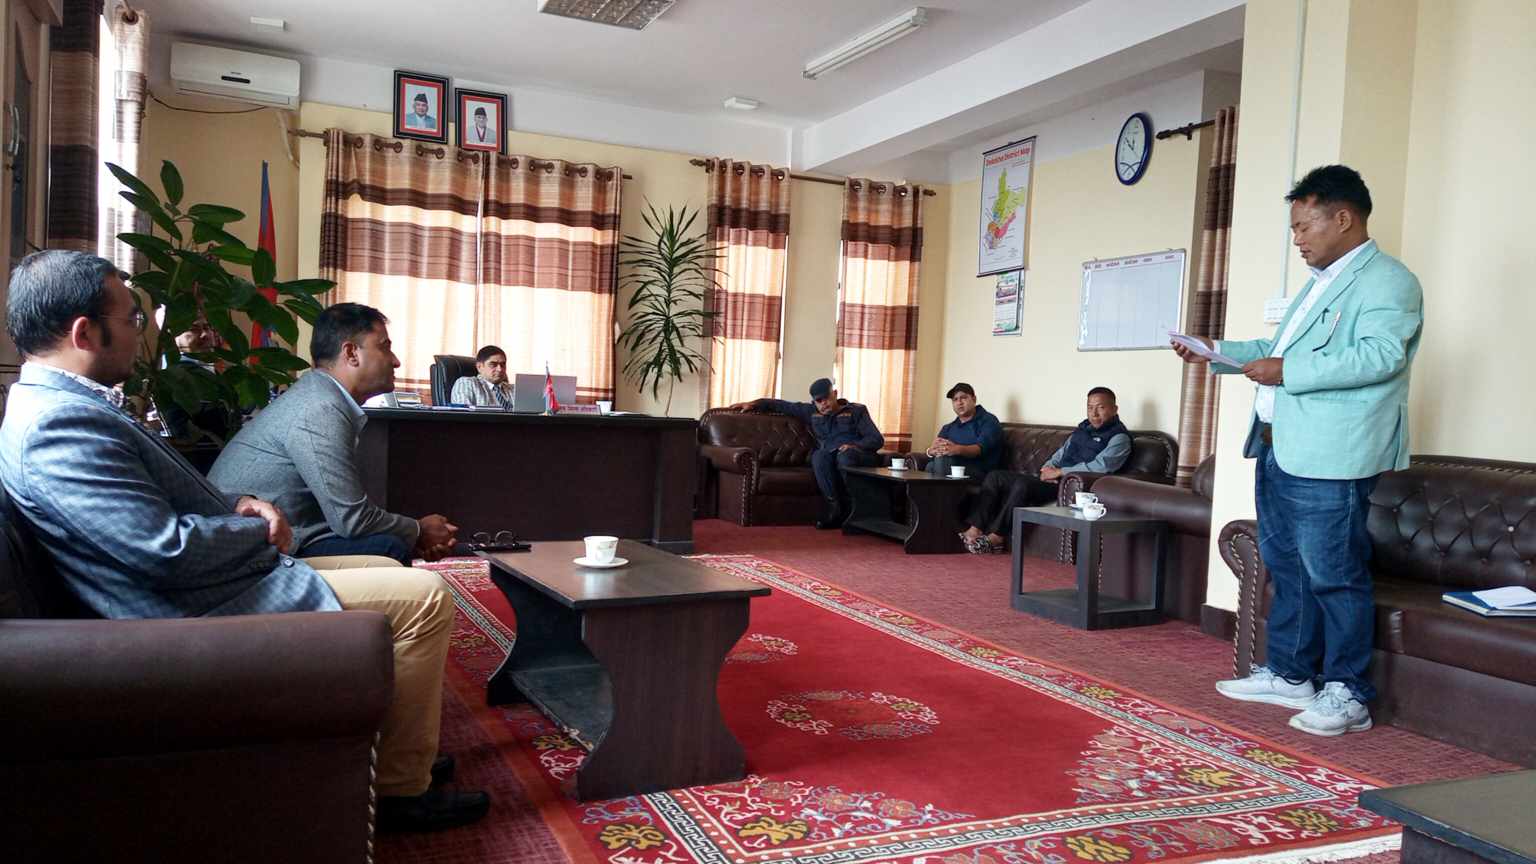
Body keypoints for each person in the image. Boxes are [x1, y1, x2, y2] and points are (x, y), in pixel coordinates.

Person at [0, 251, 488, 832]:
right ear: (84, 333)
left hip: (218, 577)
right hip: (190, 611)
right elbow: (162, 550)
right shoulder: (57, 425)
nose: (141, 331)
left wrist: (236, 504)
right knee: (427, 598)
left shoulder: (64, 405)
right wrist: (257, 528)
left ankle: (393, 753)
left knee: (394, 573)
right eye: (132, 318)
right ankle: (400, 792)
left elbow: (154, 505)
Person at [1174, 164, 1423, 737]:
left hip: (1332, 454)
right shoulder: (1320, 285)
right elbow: (1276, 346)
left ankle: (1349, 692)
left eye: (1304, 226)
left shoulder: (1388, 281)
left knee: (1334, 574)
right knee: (1288, 567)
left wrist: (1287, 370)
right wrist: (1215, 349)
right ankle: (1291, 674)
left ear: (1344, 218)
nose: (1298, 239)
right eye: (1294, 228)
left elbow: (1380, 355)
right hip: (1279, 446)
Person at [209, 303, 459, 566]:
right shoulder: (320, 407)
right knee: (387, 547)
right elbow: (352, 519)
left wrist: (414, 535)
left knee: (390, 542)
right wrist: (418, 530)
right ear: (351, 353)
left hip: (277, 532)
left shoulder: (319, 394)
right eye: (385, 347)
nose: (395, 361)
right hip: (245, 547)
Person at [959, 387, 1129, 554]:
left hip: (1071, 488)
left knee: (1022, 485)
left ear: (1114, 409)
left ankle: (996, 538)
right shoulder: (1082, 430)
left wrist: (1061, 472)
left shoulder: (1119, 438)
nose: (1094, 414)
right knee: (995, 476)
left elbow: (1101, 466)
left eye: (1100, 407)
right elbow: (1060, 454)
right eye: (1090, 408)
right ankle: (974, 530)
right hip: (1055, 479)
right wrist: (1047, 468)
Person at [730, 378, 883, 529]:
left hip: (857, 454)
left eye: (827, 398)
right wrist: (754, 403)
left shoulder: (856, 411)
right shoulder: (811, 412)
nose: (823, 404)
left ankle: (857, 509)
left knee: (845, 456)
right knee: (819, 456)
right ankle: (835, 510)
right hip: (831, 456)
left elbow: (876, 439)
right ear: (814, 402)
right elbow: (780, 405)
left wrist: (854, 445)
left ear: (835, 394)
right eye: (819, 401)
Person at [923, 382, 1004, 478]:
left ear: (974, 399)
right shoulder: (948, 428)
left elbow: (979, 449)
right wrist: (930, 451)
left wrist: (957, 449)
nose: (959, 402)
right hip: (950, 467)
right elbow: (937, 451)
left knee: (942, 461)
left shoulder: (989, 421)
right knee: (930, 466)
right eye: (955, 399)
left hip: (979, 471)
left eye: (963, 398)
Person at [449, 344, 513, 408]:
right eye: (493, 364)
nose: (500, 369)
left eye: (503, 364)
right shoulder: (466, 383)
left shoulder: (513, 389)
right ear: (479, 367)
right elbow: (464, 413)